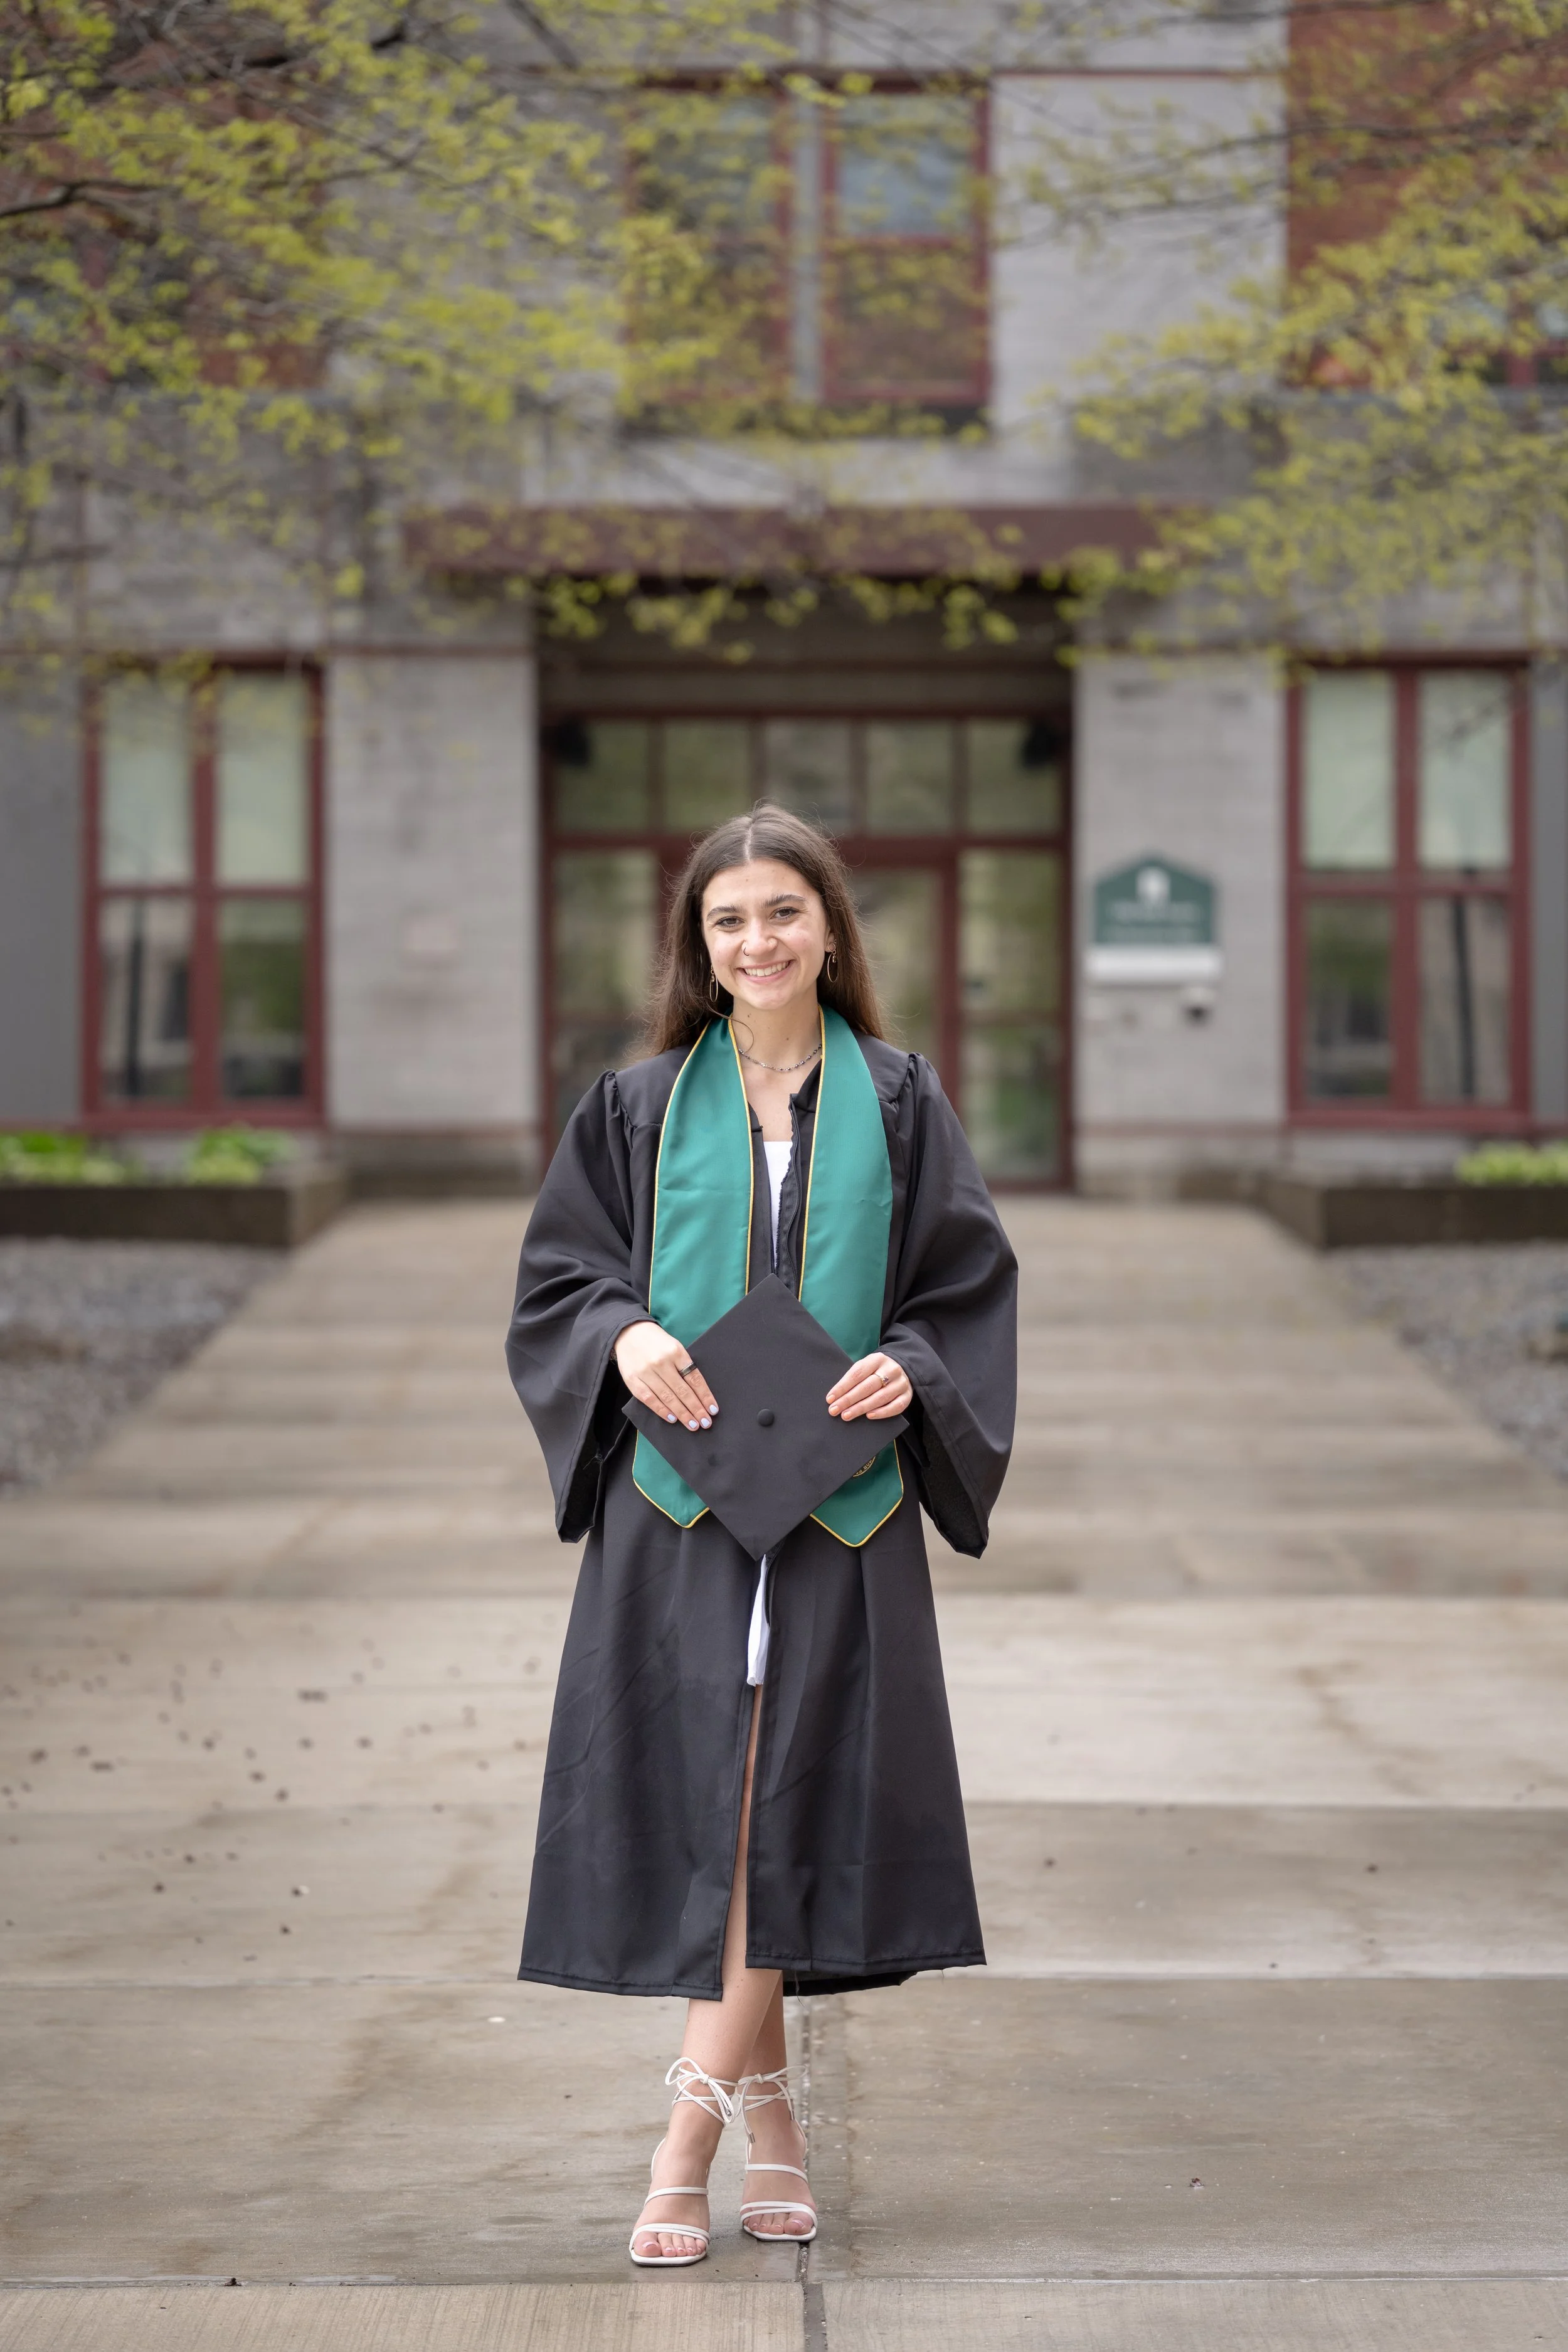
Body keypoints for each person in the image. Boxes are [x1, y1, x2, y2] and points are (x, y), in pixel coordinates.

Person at [506, 802, 1017, 2265]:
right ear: (700, 947)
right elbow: (560, 1280)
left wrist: (910, 1366)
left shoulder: (903, 1101)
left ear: (829, 929)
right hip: (677, 1507)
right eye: (728, 920)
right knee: (733, 1811)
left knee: (769, 1807)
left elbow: (961, 1291)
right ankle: (771, 2116)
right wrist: (618, 1339)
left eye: (783, 912)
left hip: (839, 1515)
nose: (758, 940)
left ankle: (685, 2138)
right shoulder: (633, 1108)